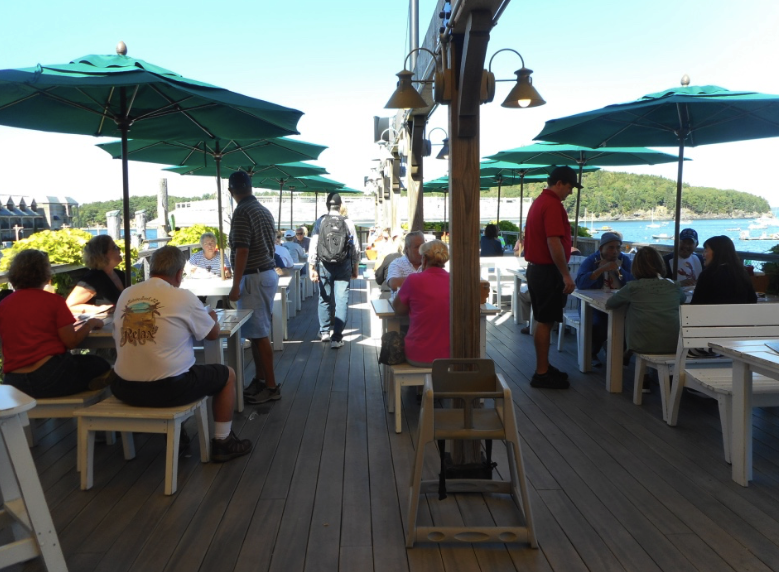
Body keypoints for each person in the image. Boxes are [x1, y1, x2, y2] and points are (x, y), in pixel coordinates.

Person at [110, 246, 251, 462]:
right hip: (168, 390)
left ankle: (180, 435)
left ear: (152, 269)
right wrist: (211, 316)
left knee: (173, 365)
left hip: (123, 387)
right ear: (178, 273)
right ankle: (223, 441)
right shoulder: (183, 297)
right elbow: (213, 335)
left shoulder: (127, 294)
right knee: (226, 374)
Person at [0, 249, 110, 398]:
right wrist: (89, 324)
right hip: (50, 376)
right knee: (99, 364)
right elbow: (71, 342)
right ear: (44, 273)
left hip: (14, 383)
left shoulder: (4, 304)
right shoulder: (53, 301)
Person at [226, 170, 281, 405]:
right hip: (266, 273)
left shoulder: (241, 212)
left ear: (232, 191)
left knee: (259, 336)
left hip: (254, 277)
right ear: (250, 187)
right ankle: (260, 380)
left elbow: (242, 250)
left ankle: (270, 386)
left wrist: (235, 284)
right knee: (258, 333)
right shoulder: (262, 210)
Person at [523, 166, 580, 389]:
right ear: (559, 183)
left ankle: (543, 366)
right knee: (545, 322)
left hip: (536, 269)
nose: (570, 192)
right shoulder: (553, 205)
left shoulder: (539, 202)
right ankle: (541, 373)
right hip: (547, 271)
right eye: (569, 187)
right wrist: (566, 274)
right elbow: (553, 241)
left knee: (541, 319)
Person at [606, 246, 686, 355]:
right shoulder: (674, 285)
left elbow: (610, 304)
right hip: (675, 344)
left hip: (642, 345)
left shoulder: (633, 288)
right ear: (660, 264)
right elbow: (682, 299)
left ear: (636, 267)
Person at [309, 192, 360, 349]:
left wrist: (312, 267)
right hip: (343, 265)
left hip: (324, 264)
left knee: (324, 297)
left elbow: (314, 245)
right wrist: (355, 267)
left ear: (327, 205)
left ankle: (324, 332)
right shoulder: (348, 222)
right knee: (341, 300)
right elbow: (355, 248)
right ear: (340, 205)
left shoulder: (320, 221)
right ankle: (337, 338)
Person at [575, 231, 634, 365]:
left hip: (619, 303)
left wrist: (619, 271)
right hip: (593, 306)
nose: (615, 251)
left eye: (618, 247)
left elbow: (633, 281)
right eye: (611, 247)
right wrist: (600, 270)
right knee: (598, 325)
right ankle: (591, 353)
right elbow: (580, 283)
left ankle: (620, 354)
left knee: (632, 322)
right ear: (601, 248)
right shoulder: (591, 261)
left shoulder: (624, 260)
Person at [393, 240, 450, 366]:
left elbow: (398, 309)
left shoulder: (413, 280)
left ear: (424, 259)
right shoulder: (455, 281)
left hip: (419, 354)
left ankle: (416, 386)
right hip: (450, 355)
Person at [66, 234, 125, 315]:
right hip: (104, 325)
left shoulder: (121, 275)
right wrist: (100, 309)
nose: (119, 249)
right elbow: (69, 306)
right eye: (114, 247)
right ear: (102, 254)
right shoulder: (93, 279)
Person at [691, 235, 757, 305]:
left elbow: (696, 303)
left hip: (712, 315)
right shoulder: (741, 272)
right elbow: (752, 299)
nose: (703, 254)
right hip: (739, 314)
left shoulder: (708, 275)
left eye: (706, 251)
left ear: (717, 252)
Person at [386, 230, 425, 297]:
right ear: (407, 248)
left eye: (423, 246)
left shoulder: (430, 263)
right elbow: (394, 284)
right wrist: (426, 280)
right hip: (402, 306)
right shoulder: (397, 264)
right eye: (417, 247)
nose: (421, 250)